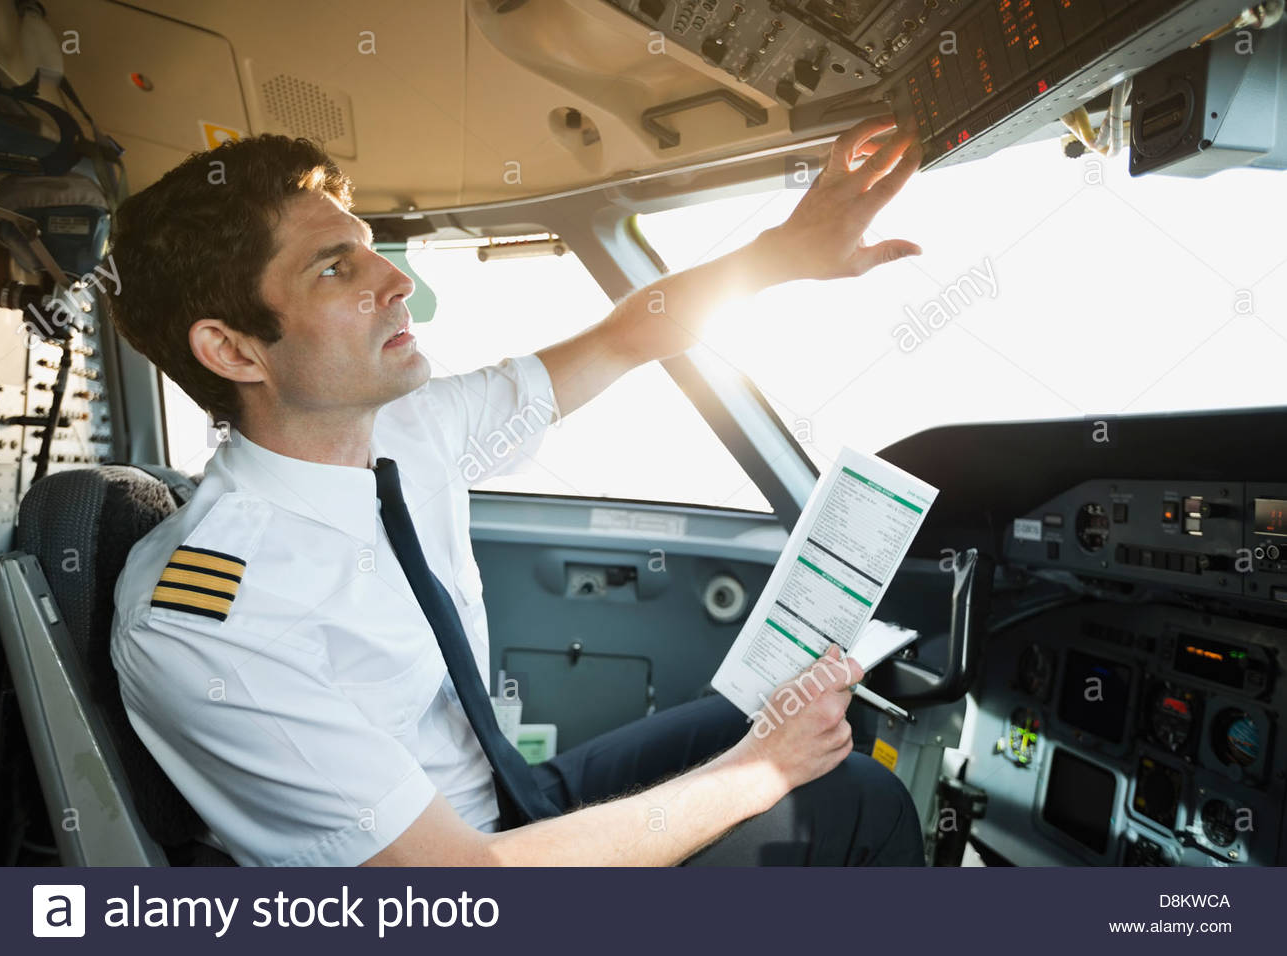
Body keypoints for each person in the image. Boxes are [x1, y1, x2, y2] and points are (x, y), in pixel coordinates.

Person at [108, 118, 926, 866]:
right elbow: (457, 882)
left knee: (761, 708)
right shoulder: (209, 619)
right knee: (854, 803)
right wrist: (761, 773)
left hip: (513, 805)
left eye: (370, 248)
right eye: (336, 269)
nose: (396, 282)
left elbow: (624, 338)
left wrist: (781, 254)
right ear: (233, 350)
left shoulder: (408, 429)